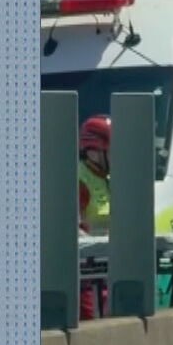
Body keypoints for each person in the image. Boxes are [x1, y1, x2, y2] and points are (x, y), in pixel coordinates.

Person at [76, 115, 113, 321]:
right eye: (111, 151)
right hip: (86, 278)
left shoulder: (108, 180)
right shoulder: (78, 180)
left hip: (107, 271)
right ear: (95, 151)